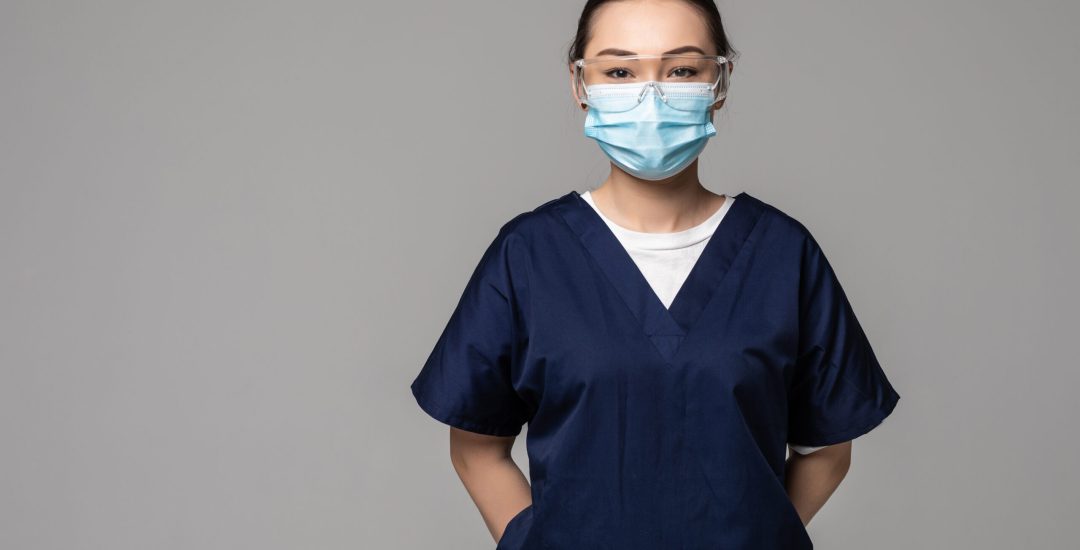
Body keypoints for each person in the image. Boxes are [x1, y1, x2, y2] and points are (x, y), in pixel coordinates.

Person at [409, 0, 901, 548]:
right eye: (620, 71)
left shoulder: (784, 256)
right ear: (580, 84)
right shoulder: (529, 255)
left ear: (720, 82)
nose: (651, 95)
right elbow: (475, 445)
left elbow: (829, 448)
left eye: (682, 70)